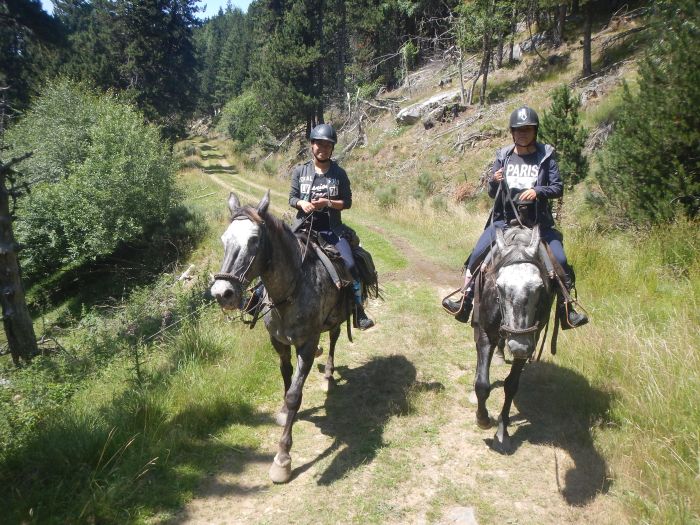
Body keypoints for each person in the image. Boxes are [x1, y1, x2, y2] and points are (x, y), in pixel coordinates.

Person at [442, 106, 588, 330]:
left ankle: (567, 311)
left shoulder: (545, 155)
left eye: (527, 130)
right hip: (504, 221)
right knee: (476, 257)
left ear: (535, 131)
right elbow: (492, 193)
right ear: (512, 132)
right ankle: (465, 300)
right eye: (518, 130)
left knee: (561, 260)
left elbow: (557, 187)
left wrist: (539, 191)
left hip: (538, 222)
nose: (523, 134)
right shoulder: (504, 156)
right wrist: (494, 180)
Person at [289, 123, 375, 330]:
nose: (323, 148)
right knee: (276, 255)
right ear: (311, 145)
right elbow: (292, 198)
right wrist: (302, 203)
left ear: (332, 148)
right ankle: (256, 299)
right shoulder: (300, 171)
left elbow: (347, 202)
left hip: (331, 230)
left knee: (351, 265)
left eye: (327, 145)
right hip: (303, 227)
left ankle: (357, 309)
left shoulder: (339, 173)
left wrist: (327, 203)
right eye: (319, 144)